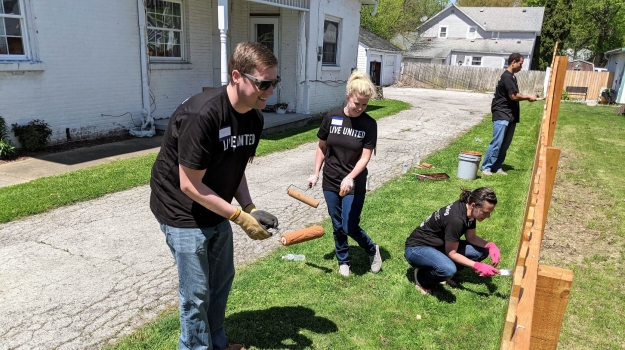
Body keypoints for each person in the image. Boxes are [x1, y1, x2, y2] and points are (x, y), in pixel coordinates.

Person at [150, 42, 281, 350]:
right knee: (195, 295)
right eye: (264, 84)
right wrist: (238, 216)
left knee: (220, 286)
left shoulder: (254, 117)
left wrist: (249, 206)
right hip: (181, 211)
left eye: (274, 83)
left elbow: (235, 166)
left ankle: (216, 345)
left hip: (215, 206)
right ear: (237, 76)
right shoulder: (203, 114)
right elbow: (189, 186)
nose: (271, 91)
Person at [306, 70, 382, 277]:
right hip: (330, 179)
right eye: (357, 103)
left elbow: (365, 157)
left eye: (365, 104)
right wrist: (315, 173)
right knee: (337, 224)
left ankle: (371, 248)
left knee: (349, 225)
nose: (360, 108)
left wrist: (350, 177)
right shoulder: (332, 117)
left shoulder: (369, 124)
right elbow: (322, 147)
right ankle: (343, 260)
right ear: (348, 96)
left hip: (354, 181)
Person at [404, 188, 502, 295]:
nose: (488, 216)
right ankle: (422, 277)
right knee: (448, 270)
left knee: (482, 250)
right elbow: (452, 253)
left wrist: (490, 245)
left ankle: (439, 268)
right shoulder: (456, 220)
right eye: (486, 212)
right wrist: (477, 266)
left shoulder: (469, 211)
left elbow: (471, 237)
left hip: (438, 245)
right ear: (474, 205)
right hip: (417, 249)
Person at [481, 52, 537, 176]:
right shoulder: (506, 77)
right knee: (497, 142)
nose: (521, 67)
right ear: (513, 62)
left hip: (510, 115)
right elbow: (513, 96)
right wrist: (528, 97)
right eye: (520, 64)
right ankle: (486, 167)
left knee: (505, 144)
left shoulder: (512, 77)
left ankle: (497, 166)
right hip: (502, 114)